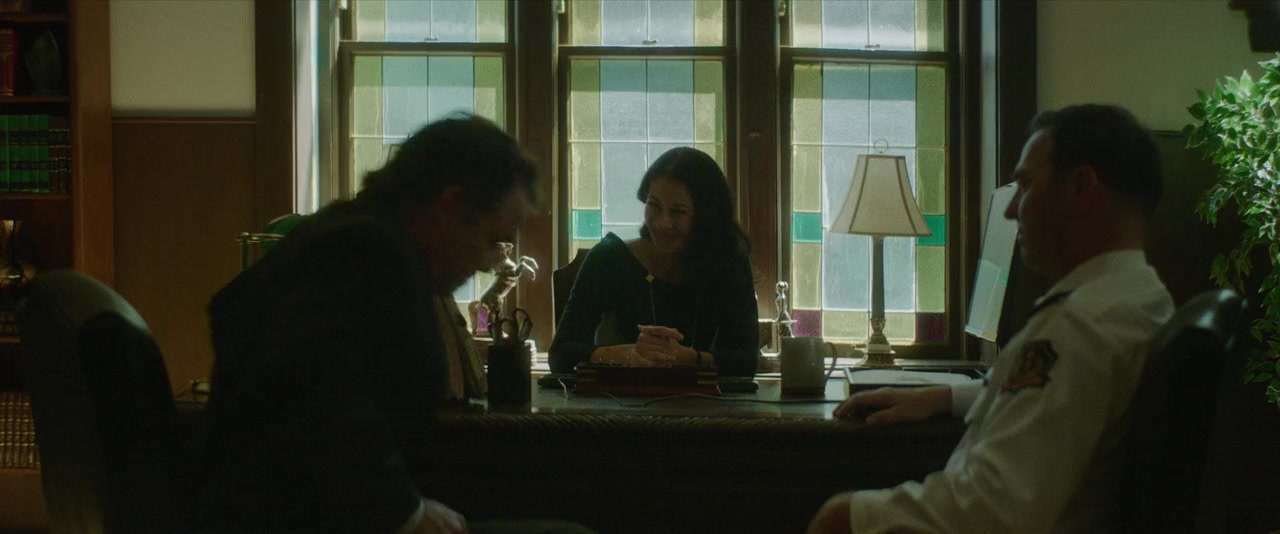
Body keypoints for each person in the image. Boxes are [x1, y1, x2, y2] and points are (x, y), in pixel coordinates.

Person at [808, 104, 1175, 533]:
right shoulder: (1141, 299)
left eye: (1026, 185)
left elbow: (995, 510)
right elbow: (1056, 399)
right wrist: (946, 396)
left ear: (1080, 186)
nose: (1011, 209)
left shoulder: (1077, 328)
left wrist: (850, 517)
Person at [200, 115, 557, 533]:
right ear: (449, 207)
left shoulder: (344, 235)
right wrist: (404, 512)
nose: (486, 261)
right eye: (492, 238)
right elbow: (317, 396)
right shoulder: (366, 255)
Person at [549, 147, 760, 377]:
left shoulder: (729, 263)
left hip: (705, 399)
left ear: (705, 216)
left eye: (678, 212)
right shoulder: (609, 258)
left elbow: (746, 361)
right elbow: (560, 354)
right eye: (654, 205)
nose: (662, 223)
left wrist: (690, 359)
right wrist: (627, 355)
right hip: (618, 398)